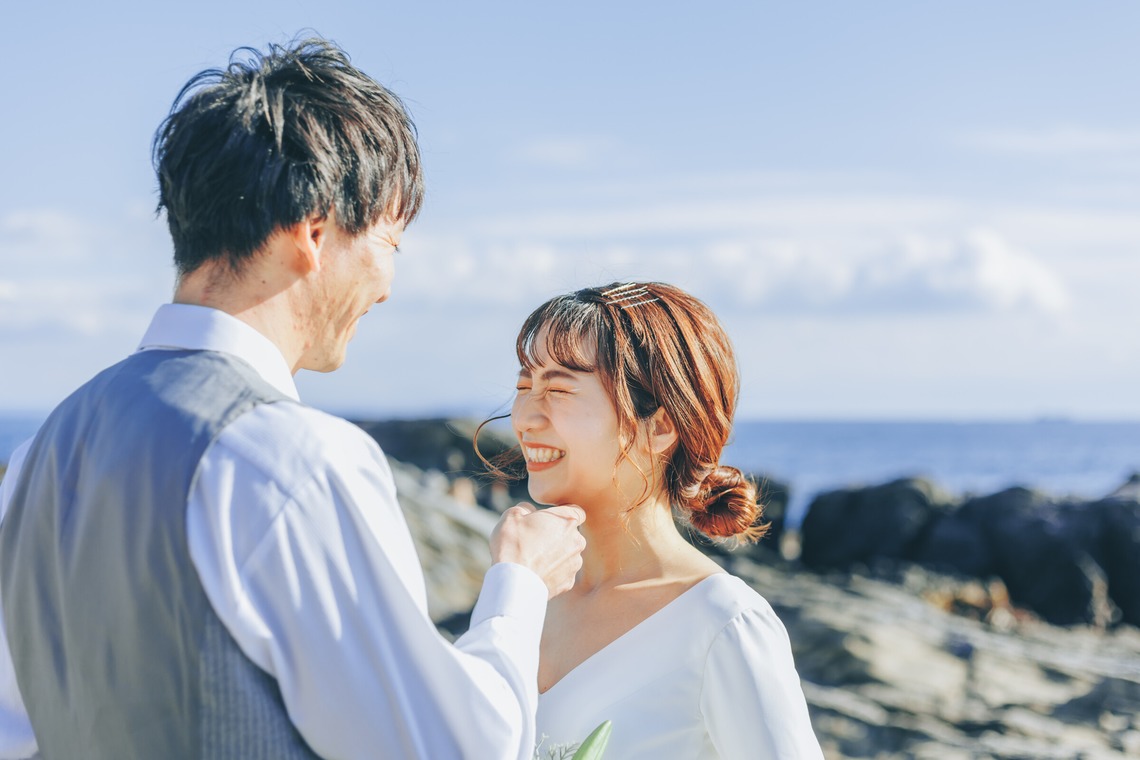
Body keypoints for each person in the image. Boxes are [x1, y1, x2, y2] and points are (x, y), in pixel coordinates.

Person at [0, 38, 586, 760]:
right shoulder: (288, 458)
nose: (388, 285)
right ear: (312, 231)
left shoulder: (38, 456)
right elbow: (453, 749)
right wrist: (517, 590)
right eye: (390, 244)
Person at [481, 282, 823, 759]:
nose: (523, 417)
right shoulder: (524, 598)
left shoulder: (723, 624)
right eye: (524, 386)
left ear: (661, 426)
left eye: (558, 389)